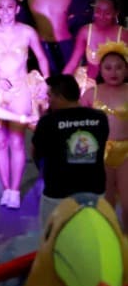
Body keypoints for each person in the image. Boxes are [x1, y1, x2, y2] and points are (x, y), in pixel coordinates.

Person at [0, 0, 48, 208]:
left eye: (9, 7)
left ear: (17, 9)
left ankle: (15, 190)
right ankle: (6, 188)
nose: (5, 11)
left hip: (20, 89)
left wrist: (44, 83)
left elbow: (42, 58)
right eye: (0, 7)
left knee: (17, 141)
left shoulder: (27, 32)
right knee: (0, 141)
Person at [33, 73, 108, 228]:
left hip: (58, 194)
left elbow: (36, 152)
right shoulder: (100, 118)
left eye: (50, 96)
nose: (49, 100)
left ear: (59, 96)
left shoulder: (48, 122)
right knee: (92, 236)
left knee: (54, 238)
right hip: (94, 191)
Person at [81, 44, 128, 227]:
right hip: (101, 152)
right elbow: (79, 122)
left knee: (127, 202)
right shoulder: (91, 93)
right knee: (105, 202)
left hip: (126, 152)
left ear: (126, 69)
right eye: (108, 67)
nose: (113, 72)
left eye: (119, 67)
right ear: (100, 70)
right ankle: (107, 240)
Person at [65, 0, 128, 85]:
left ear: (116, 13)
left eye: (107, 13)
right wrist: (60, 82)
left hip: (115, 84)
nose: (101, 16)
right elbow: (74, 61)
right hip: (89, 82)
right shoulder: (85, 31)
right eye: (98, 11)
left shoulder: (123, 34)